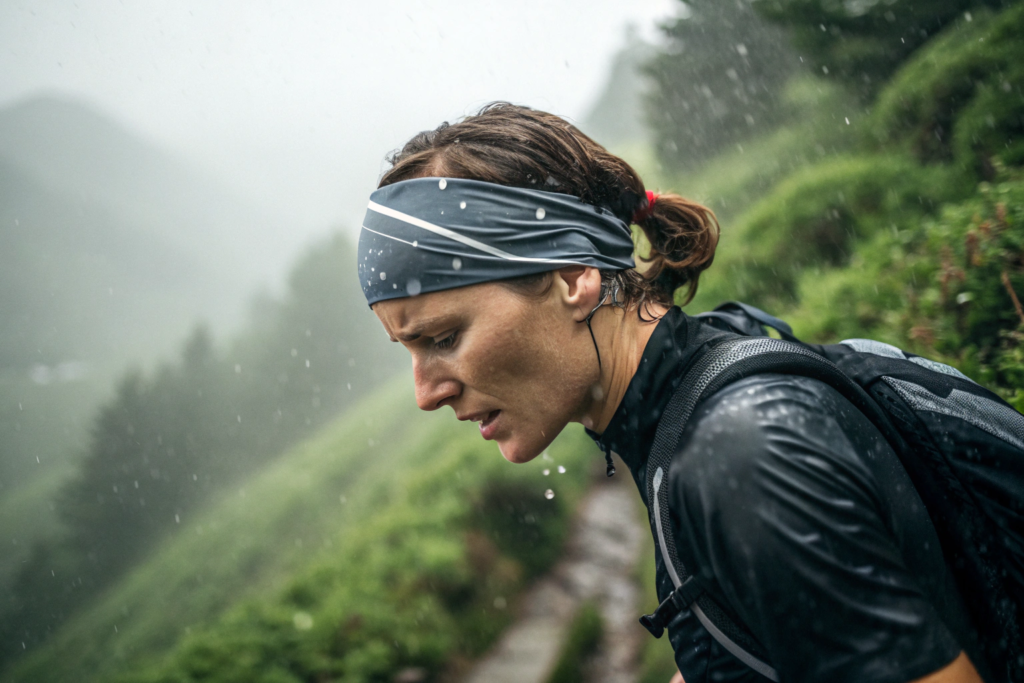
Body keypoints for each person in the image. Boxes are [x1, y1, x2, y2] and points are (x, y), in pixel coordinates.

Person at [358, 102, 991, 682]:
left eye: (443, 338)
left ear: (573, 275)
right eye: (409, 351)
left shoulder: (742, 454)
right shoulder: (690, 407)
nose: (426, 393)